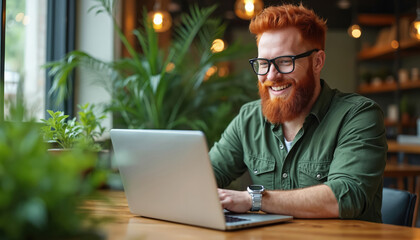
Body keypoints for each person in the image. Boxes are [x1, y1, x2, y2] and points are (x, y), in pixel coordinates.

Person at [209, 4, 387, 222]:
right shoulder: (249, 119)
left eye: (285, 61)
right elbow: (205, 176)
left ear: (317, 61)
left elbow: (347, 196)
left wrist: (253, 199)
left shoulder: (358, 115)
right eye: (263, 63)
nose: (271, 76)